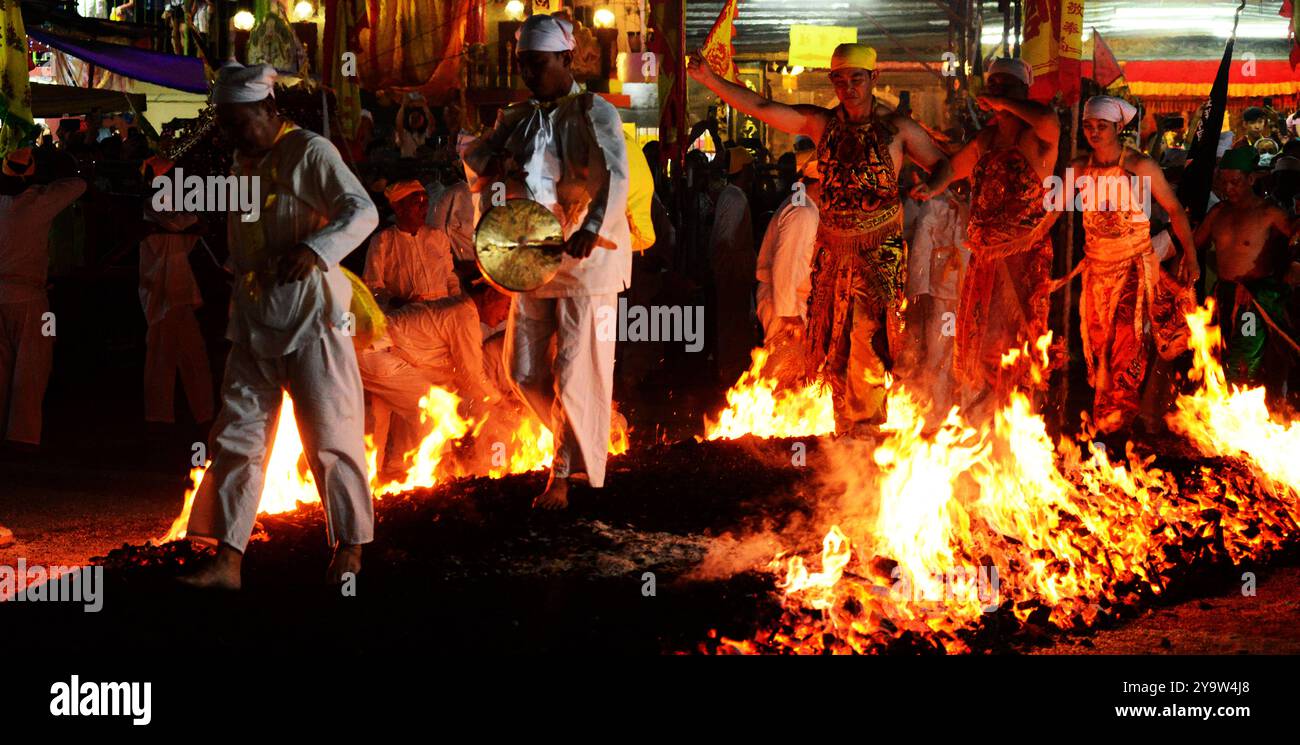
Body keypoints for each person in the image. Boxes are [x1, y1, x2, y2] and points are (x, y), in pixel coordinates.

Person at [181, 63, 379, 589]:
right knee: (238, 437)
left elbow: (361, 212)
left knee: (331, 435)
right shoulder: (240, 161)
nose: (230, 134)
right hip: (252, 317)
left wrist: (314, 250)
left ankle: (351, 549)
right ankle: (228, 559)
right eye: (224, 124)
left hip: (314, 317)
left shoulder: (311, 151)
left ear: (269, 111)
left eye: (238, 123)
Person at [688, 42, 950, 436]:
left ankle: (866, 426)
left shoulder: (898, 130)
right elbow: (760, 108)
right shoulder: (820, 124)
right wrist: (710, 80)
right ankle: (846, 424)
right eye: (840, 80)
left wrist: (934, 186)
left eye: (856, 79)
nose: (848, 88)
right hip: (832, 253)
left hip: (879, 254)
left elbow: (941, 162)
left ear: (874, 78)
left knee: (869, 336)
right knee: (835, 339)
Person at [464, 13, 630, 509]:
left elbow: (614, 174)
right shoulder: (514, 119)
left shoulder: (595, 110)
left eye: (537, 64)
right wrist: (487, 165)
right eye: (522, 65)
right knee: (522, 371)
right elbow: (481, 167)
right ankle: (585, 443)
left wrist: (592, 230)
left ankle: (561, 476)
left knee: (574, 372)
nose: (529, 74)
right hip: (532, 259)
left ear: (565, 58)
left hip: (587, 264)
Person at [928, 58, 1059, 418]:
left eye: (1006, 85)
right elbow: (954, 169)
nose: (998, 90)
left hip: (1023, 259)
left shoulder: (1037, 136)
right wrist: (931, 187)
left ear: (1023, 92)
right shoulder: (986, 140)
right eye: (994, 83)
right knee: (983, 342)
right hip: (985, 258)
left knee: (1019, 343)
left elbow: (1050, 120)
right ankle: (983, 421)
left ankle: (1019, 420)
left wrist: (1001, 103)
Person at [1072, 95, 1197, 436]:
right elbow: (1054, 207)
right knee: (1099, 344)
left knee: (1127, 342)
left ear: (1118, 128)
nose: (1094, 132)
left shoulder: (1142, 167)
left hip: (1132, 269)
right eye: (1088, 125)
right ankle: (1103, 422)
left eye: (1102, 126)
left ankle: (1120, 426)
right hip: (1097, 271)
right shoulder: (1079, 167)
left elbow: (1176, 212)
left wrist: (1192, 258)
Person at [1195, 146, 1299, 396]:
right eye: (1224, 182)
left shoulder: (1268, 213)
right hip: (1222, 295)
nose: (1228, 188)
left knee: (1244, 356)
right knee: (1216, 351)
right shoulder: (1218, 212)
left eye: (1235, 182)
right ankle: (1224, 405)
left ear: (1251, 179)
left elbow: (1294, 235)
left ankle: (1240, 408)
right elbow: (1193, 244)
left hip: (1254, 298)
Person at [0, 148, 86, 450]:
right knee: (32, 367)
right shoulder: (38, 201)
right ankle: (22, 436)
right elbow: (79, 185)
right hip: (29, 299)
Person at [139, 158, 214, 424]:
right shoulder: (153, 206)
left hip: (176, 292)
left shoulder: (167, 206)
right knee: (164, 356)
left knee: (192, 355)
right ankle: (160, 418)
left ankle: (202, 414)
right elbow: (186, 225)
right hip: (162, 292)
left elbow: (193, 227)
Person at [755, 154, 819, 386]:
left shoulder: (804, 205)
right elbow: (784, 265)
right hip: (784, 308)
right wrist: (791, 316)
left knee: (795, 377)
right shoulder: (803, 212)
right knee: (784, 379)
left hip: (792, 304)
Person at [710, 146, 757, 384]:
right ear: (744, 169)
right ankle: (730, 376)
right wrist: (736, 271)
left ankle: (730, 374)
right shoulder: (735, 198)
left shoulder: (732, 195)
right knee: (733, 328)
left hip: (733, 272)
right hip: (732, 274)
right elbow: (726, 241)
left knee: (733, 327)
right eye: (752, 168)